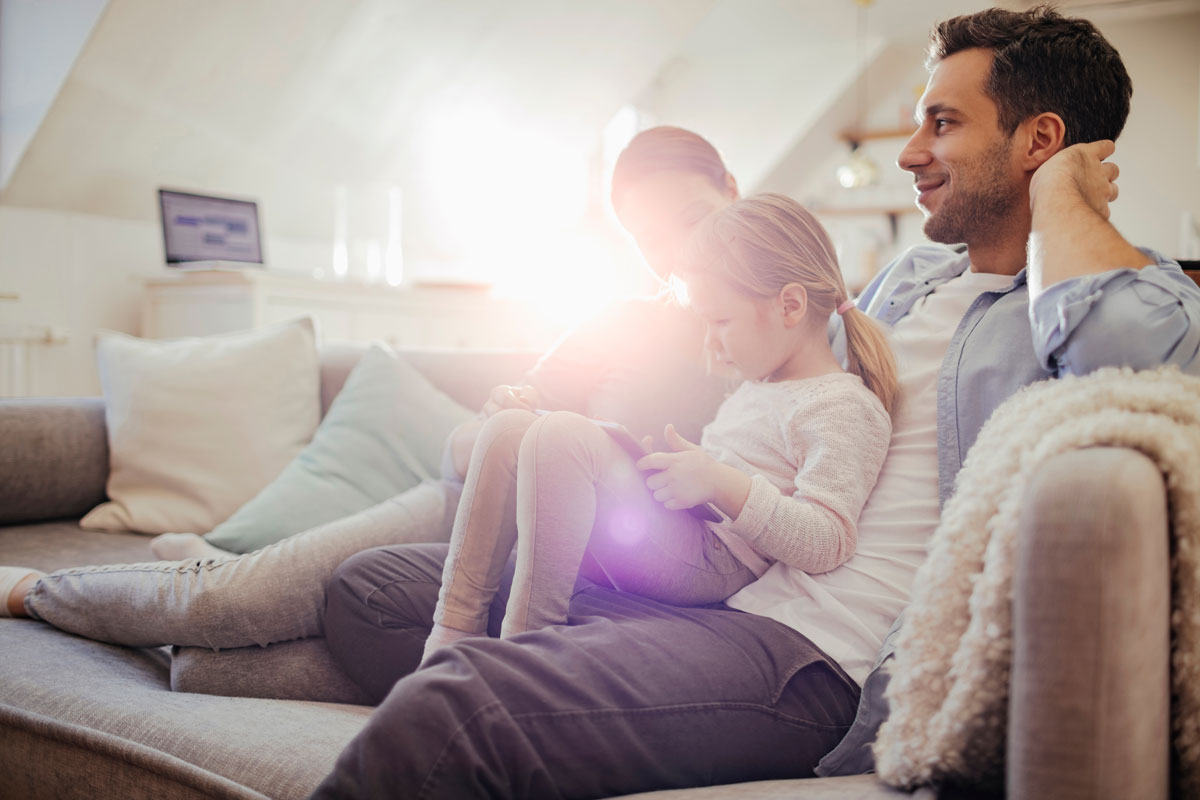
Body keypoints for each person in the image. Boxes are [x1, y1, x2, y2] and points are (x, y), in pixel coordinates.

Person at [310, 6, 1200, 799]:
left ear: (1040, 141)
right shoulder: (916, 277)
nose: (909, 150)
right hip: (728, 579)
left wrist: (1063, 200)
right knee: (371, 589)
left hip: (813, 659)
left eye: (943, 121)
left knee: (461, 705)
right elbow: (785, 378)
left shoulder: (1130, 298)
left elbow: (1124, 356)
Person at [0, 127, 737, 674]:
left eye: (690, 218)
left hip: (587, 577)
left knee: (211, 663)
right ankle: (35, 592)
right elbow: (464, 448)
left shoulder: (790, 339)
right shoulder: (617, 322)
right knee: (231, 604)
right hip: (467, 515)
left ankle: (223, 565)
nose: (671, 251)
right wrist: (512, 421)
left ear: (735, 196)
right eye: (646, 236)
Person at [420, 194, 896, 665]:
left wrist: (722, 483)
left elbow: (828, 539)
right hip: (685, 528)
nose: (710, 341)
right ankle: (450, 635)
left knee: (564, 436)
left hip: (716, 562)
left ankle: (524, 653)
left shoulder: (842, 404)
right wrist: (664, 469)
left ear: (789, 306)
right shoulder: (762, 385)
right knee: (509, 430)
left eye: (721, 321)